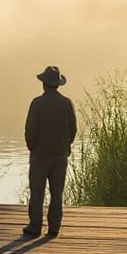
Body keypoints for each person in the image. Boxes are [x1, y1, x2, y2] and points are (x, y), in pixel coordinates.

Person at [22, 65, 77, 238]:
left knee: (37, 192)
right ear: (58, 84)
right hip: (60, 155)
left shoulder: (37, 103)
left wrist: (33, 148)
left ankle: (35, 226)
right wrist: (65, 146)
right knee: (57, 192)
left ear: (44, 84)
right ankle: (54, 228)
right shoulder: (67, 103)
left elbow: (30, 131)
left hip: (40, 155)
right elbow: (73, 129)